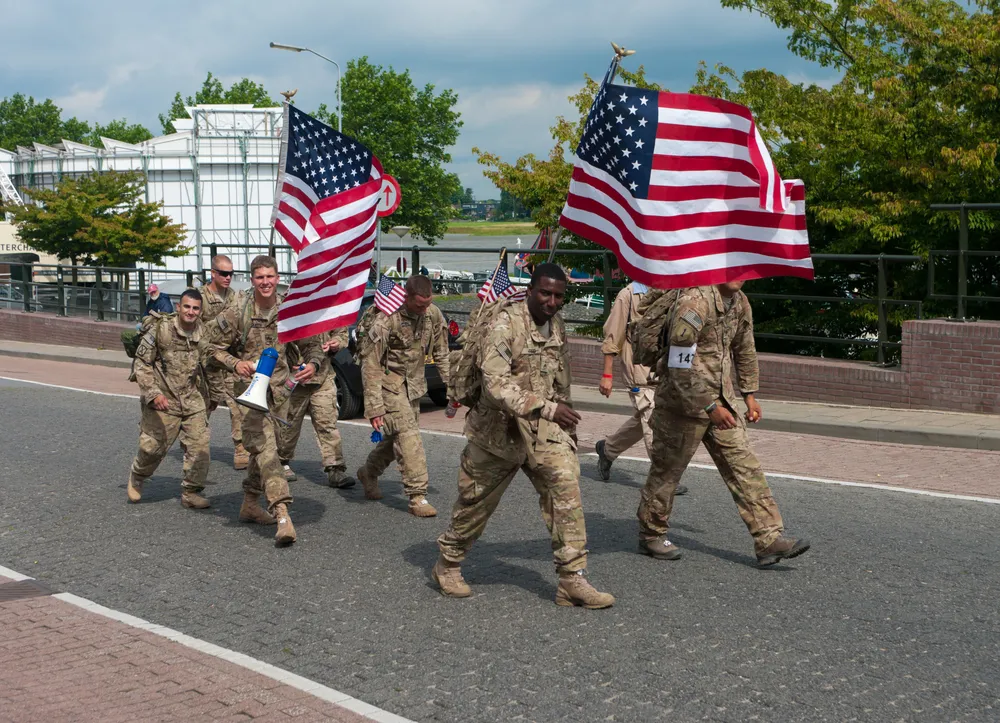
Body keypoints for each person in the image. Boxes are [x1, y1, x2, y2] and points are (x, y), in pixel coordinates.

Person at [434, 263, 615, 609]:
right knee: (475, 504)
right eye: (545, 293)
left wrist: (567, 428)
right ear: (530, 291)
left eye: (558, 296)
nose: (551, 302)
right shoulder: (505, 325)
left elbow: (561, 379)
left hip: (541, 431)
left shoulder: (557, 325)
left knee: (565, 488)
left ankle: (572, 579)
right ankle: (448, 563)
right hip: (497, 431)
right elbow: (496, 384)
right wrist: (547, 408)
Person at [636, 281, 810, 566]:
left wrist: (749, 394)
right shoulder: (695, 302)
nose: (738, 276)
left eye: (743, 269)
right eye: (732, 268)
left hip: (722, 403)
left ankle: (768, 539)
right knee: (666, 474)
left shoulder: (740, 302)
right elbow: (678, 364)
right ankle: (651, 534)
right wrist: (708, 406)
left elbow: (745, 347)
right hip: (681, 405)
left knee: (745, 468)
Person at [207, 255, 324, 546]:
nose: (266, 282)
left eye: (270, 276)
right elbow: (209, 347)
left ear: (277, 278)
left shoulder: (289, 309)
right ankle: (282, 513)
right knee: (267, 450)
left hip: (281, 393)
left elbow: (312, 344)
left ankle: (249, 503)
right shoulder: (238, 309)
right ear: (252, 279)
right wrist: (235, 363)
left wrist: (313, 364)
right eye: (260, 277)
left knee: (266, 450)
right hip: (248, 396)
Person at [357, 274, 450, 517]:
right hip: (389, 386)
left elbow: (441, 352)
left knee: (393, 440)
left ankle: (368, 472)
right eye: (419, 305)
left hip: (414, 387)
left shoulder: (432, 315)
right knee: (409, 437)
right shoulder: (387, 319)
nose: (424, 309)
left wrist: (452, 387)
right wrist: (374, 407)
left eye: (427, 304)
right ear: (406, 297)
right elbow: (371, 364)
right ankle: (417, 496)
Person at [594, 281, 686, 494]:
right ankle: (663, 477)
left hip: (661, 370)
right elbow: (612, 336)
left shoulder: (671, 290)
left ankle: (607, 449)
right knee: (652, 420)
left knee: (643, 419)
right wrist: (607, 375)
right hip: (638, 372)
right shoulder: (628, 295)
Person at [126, 289, 213, 509]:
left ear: (200, 311)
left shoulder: (203, 332)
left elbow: (210, 363)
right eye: (187, 307)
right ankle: (138, 475)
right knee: (152, 449)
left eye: (195, 308)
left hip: (191, 399)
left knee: (200, 447)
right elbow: (142, 363)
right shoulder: (161, 329)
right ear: (178, 307)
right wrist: (153, 393)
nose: (191, 312)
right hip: (163, 399)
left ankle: (191, 492)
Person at [277, 328, 355, 488]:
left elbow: (341, 332)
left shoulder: (326, 313)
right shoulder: (287, 313)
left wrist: (337, 343)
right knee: (288, 425)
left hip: (323, 376)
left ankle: (335, 469)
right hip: (293, 378)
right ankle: (281, 462)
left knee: (327, 423)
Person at [200, 255, 248, 470]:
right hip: (207, 362)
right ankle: (194, 447)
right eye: (224, 273)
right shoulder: (200, 298)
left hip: (229, 361)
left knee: (237, 405)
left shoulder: (235, 297)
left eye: (231, 274)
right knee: (204, 406)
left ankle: (240, 449)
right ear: (213, 273)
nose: (228, 277)